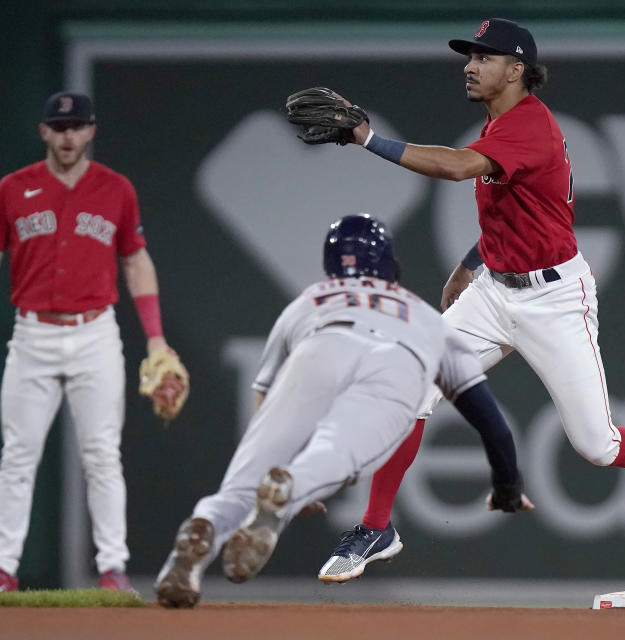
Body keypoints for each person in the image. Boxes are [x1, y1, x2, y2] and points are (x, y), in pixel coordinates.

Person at [314, 18, 625, 583]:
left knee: (595, 444)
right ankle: (376, 527)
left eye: (485, 57)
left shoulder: (529, 127)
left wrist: (368, 137)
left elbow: (456, 167)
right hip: (493, 292)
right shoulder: (498, 124)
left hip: (555, 300)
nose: (470, 65)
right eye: (469, 56)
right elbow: (514, 213)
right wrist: (470, 267)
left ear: (517, 71)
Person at [154, 213, 531, 608]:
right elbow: (492, 424)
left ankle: (205, 528)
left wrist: (267, 461)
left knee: (240, 487)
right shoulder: (419, 314)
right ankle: (294, 486)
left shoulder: (309, 300)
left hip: (317, 353)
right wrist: (507, 482)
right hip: (384, 377)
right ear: (388, 263)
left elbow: (264, 400)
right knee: (330, 456)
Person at [0, 91, 180, 592]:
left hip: (95, 332)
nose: (67, 136)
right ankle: (3, 568)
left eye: (76, 126)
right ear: (43, 132)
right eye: (59, 128)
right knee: (18, 454)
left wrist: (156, 340)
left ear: (91, 130)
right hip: (32, 331)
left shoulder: (115, 190)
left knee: (102, 453)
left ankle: (112, 569)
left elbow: (136, 260)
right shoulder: (12, 189)